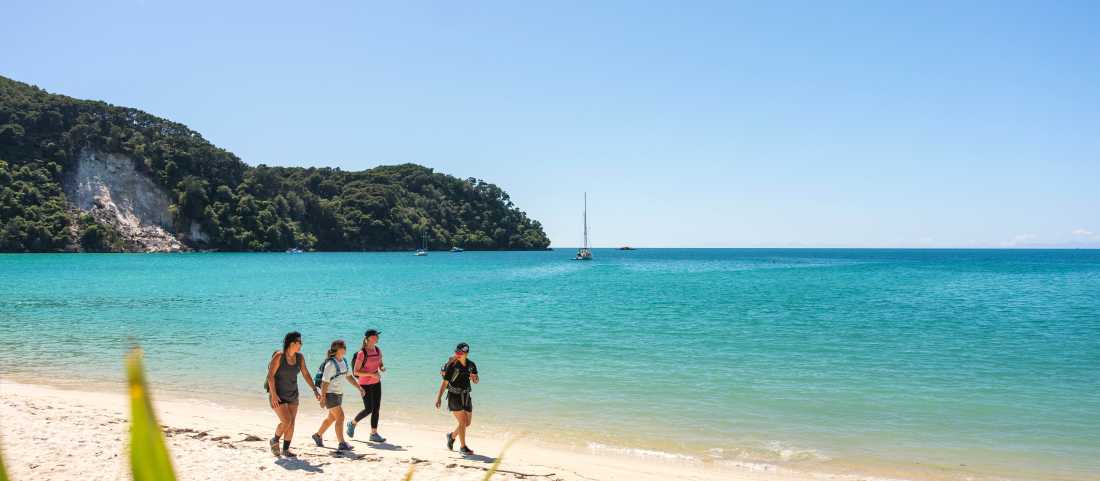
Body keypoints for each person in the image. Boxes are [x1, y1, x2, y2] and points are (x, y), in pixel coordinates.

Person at [267, 331, 320, 458]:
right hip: (277, 395)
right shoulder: (279, 356)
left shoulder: (299, 357)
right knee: (286, 421)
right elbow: (270, 376)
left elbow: (306, 374)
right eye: (299, 342)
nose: (301, 344)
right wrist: (273, 394)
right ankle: (275, 440)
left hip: (292, 394)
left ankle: (285, 449)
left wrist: (314, 390)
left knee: (292, 422)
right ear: (292, 343)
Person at [311, 340, 364, 452]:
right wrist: (323, 398)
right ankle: (341, 443)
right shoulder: (330, 364)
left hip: (339, 394)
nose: (345, 348)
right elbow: (325, 382)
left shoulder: (344, 361)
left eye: (345, 346)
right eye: (343, 347)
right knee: (340, 417)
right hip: (330, 394)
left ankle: (317, 435)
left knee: (331, 418)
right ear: (337, 349)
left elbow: (349, 377)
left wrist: (359, 387)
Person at [434, 342, 479, 455]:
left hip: (466, 396)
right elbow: (445, 383)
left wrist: (475, 378)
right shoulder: (452, 366)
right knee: (462, 422)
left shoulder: (471, 365)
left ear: (466, 353)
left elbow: (476, 381)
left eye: (460, 352)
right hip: (454, 396)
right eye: (456, 352)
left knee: (467, 423)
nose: (457, 354)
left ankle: (451, 437)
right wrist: (439, 398)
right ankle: (463, 447)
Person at [347, 329, 386, 442]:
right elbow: (356, 372)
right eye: (375, 336)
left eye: (377, 336)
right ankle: (352, 423)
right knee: (369, 409)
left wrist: (382, 368)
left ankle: (373, 433)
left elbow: (380, 363)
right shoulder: (362, 353)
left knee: (376, 409)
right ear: (368, 338)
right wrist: (371, 374)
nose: (377, 337)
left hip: (376, 383)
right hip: (365, 384)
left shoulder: (377, 350)